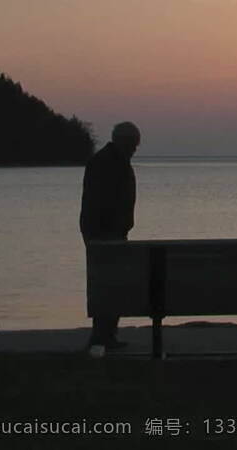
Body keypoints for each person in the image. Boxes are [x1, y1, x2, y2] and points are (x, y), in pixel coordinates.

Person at [80, 121, 140, 349]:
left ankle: (105, 334)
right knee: (109, 283)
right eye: (133, 145)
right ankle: (103, 334)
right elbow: (103, 202)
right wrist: (116, 228)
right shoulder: (109, 163)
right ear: (124, 142)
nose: (134, 150)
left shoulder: (106, 161)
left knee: (107, 283)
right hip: (106, 233)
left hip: (105, 231)